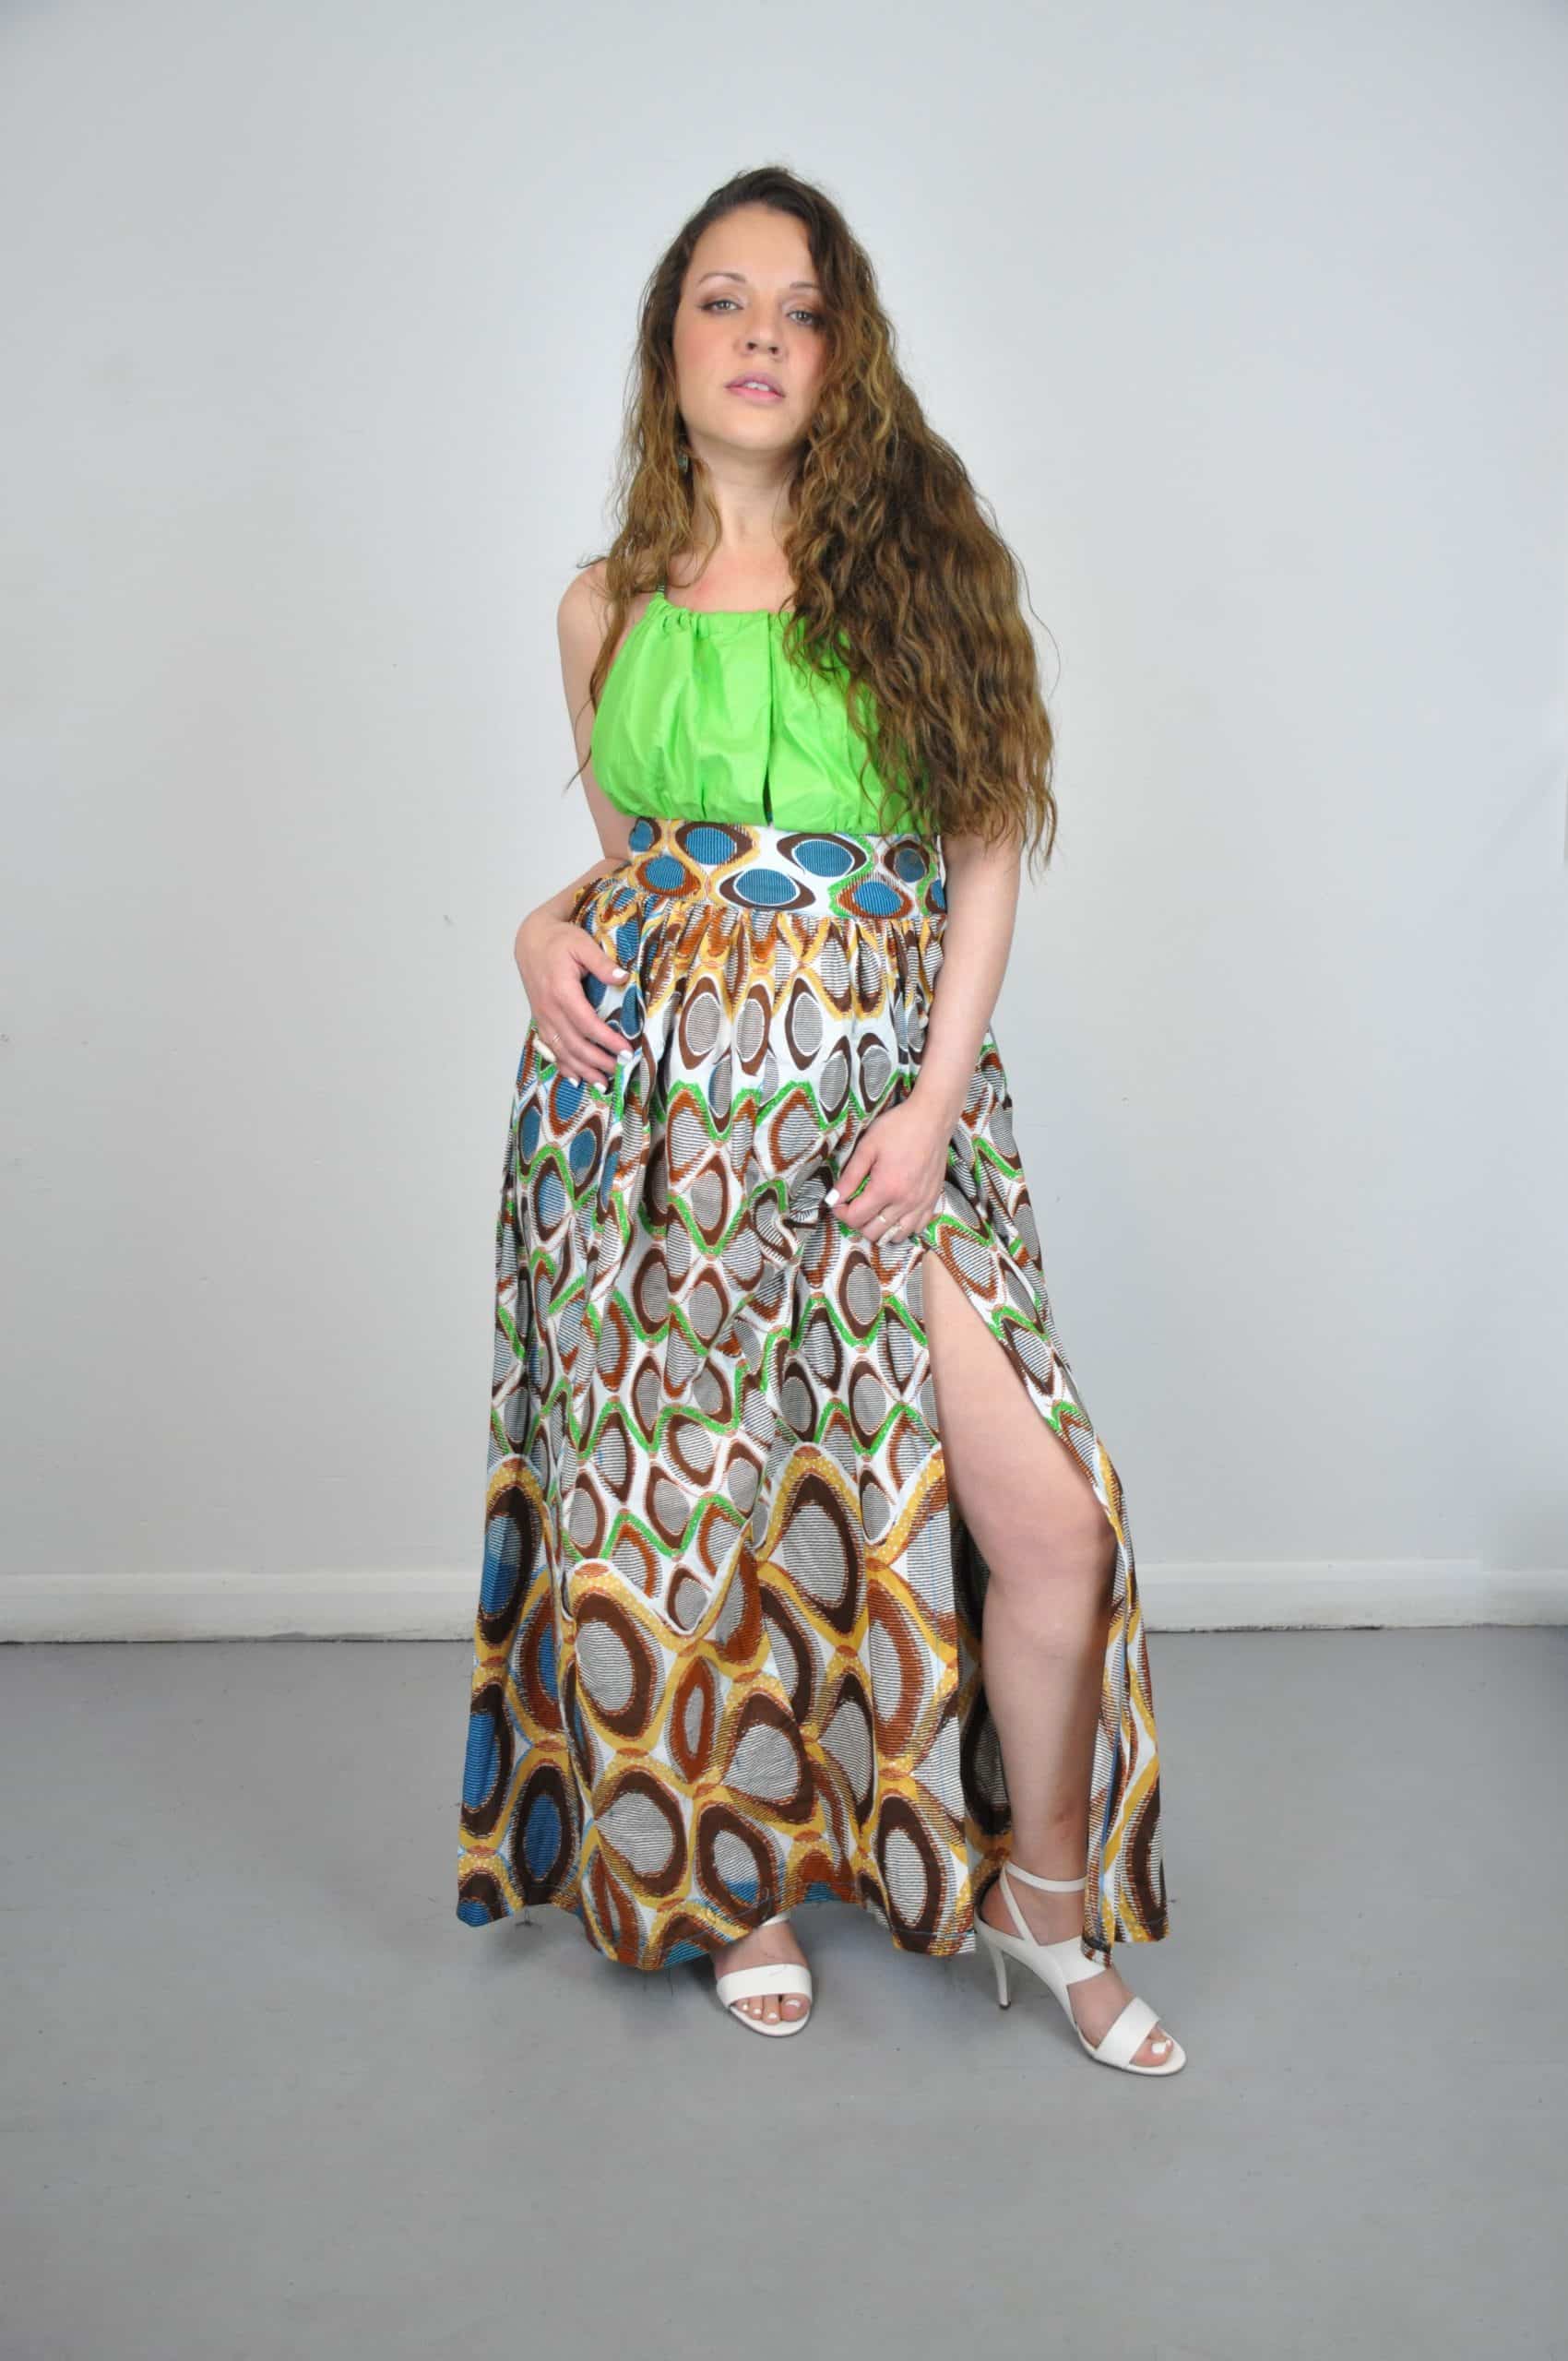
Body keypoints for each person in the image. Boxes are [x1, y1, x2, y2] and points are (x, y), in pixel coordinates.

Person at [457, 165, 1183, 2076]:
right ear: (668, 346)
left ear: (843, 351)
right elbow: (647, 870)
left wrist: (935, 1103)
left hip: (880, 1115)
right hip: (649, 1131)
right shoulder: (602, 607)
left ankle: (1043, 1898)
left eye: (800, 306)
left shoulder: (923, 572)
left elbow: (981, 851)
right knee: (696, 1512)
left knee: (1045, 1516)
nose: (761, 334)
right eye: (723, 299)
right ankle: (741, 1884)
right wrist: (538, 926)